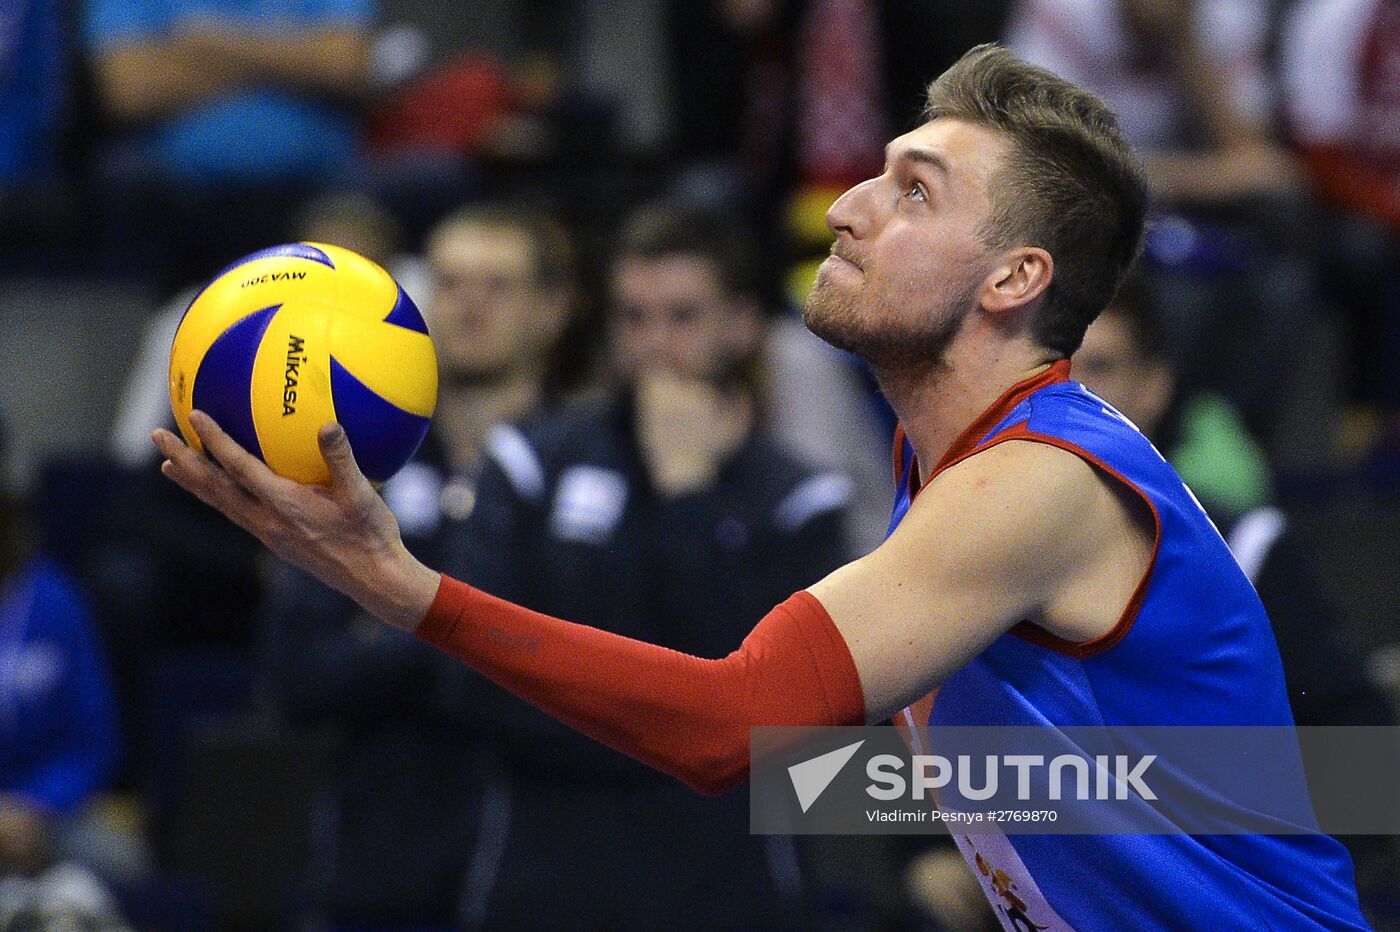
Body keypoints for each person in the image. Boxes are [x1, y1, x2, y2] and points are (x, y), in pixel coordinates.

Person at [152, 45, 1368, 928]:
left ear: (1013, 278)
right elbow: (1048, 788)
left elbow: (730, 729)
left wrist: (405, 587)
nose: (842, 206)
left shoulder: (1038, 482)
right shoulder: (947, 466)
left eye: (910, 191)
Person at [440, 200, 847, 927]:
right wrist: (671, 727)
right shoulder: (528, 460)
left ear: (742, 324)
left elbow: (784, 732)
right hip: (544, 884)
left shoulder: (799, 500)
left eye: (683, 316)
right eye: (633, 317)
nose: (656, 344)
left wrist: (688, 496)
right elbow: (474, 682)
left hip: (726, 892)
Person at [259, 202, 580, 926]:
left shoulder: (593, 471)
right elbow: (298, 679)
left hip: (549, 879)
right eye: (450, 283)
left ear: (553, 309)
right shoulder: (352, 464)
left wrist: (390, 636)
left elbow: (593, 685)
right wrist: (484, 644)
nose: (469, 305)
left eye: (498, 286)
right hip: (377, 874)